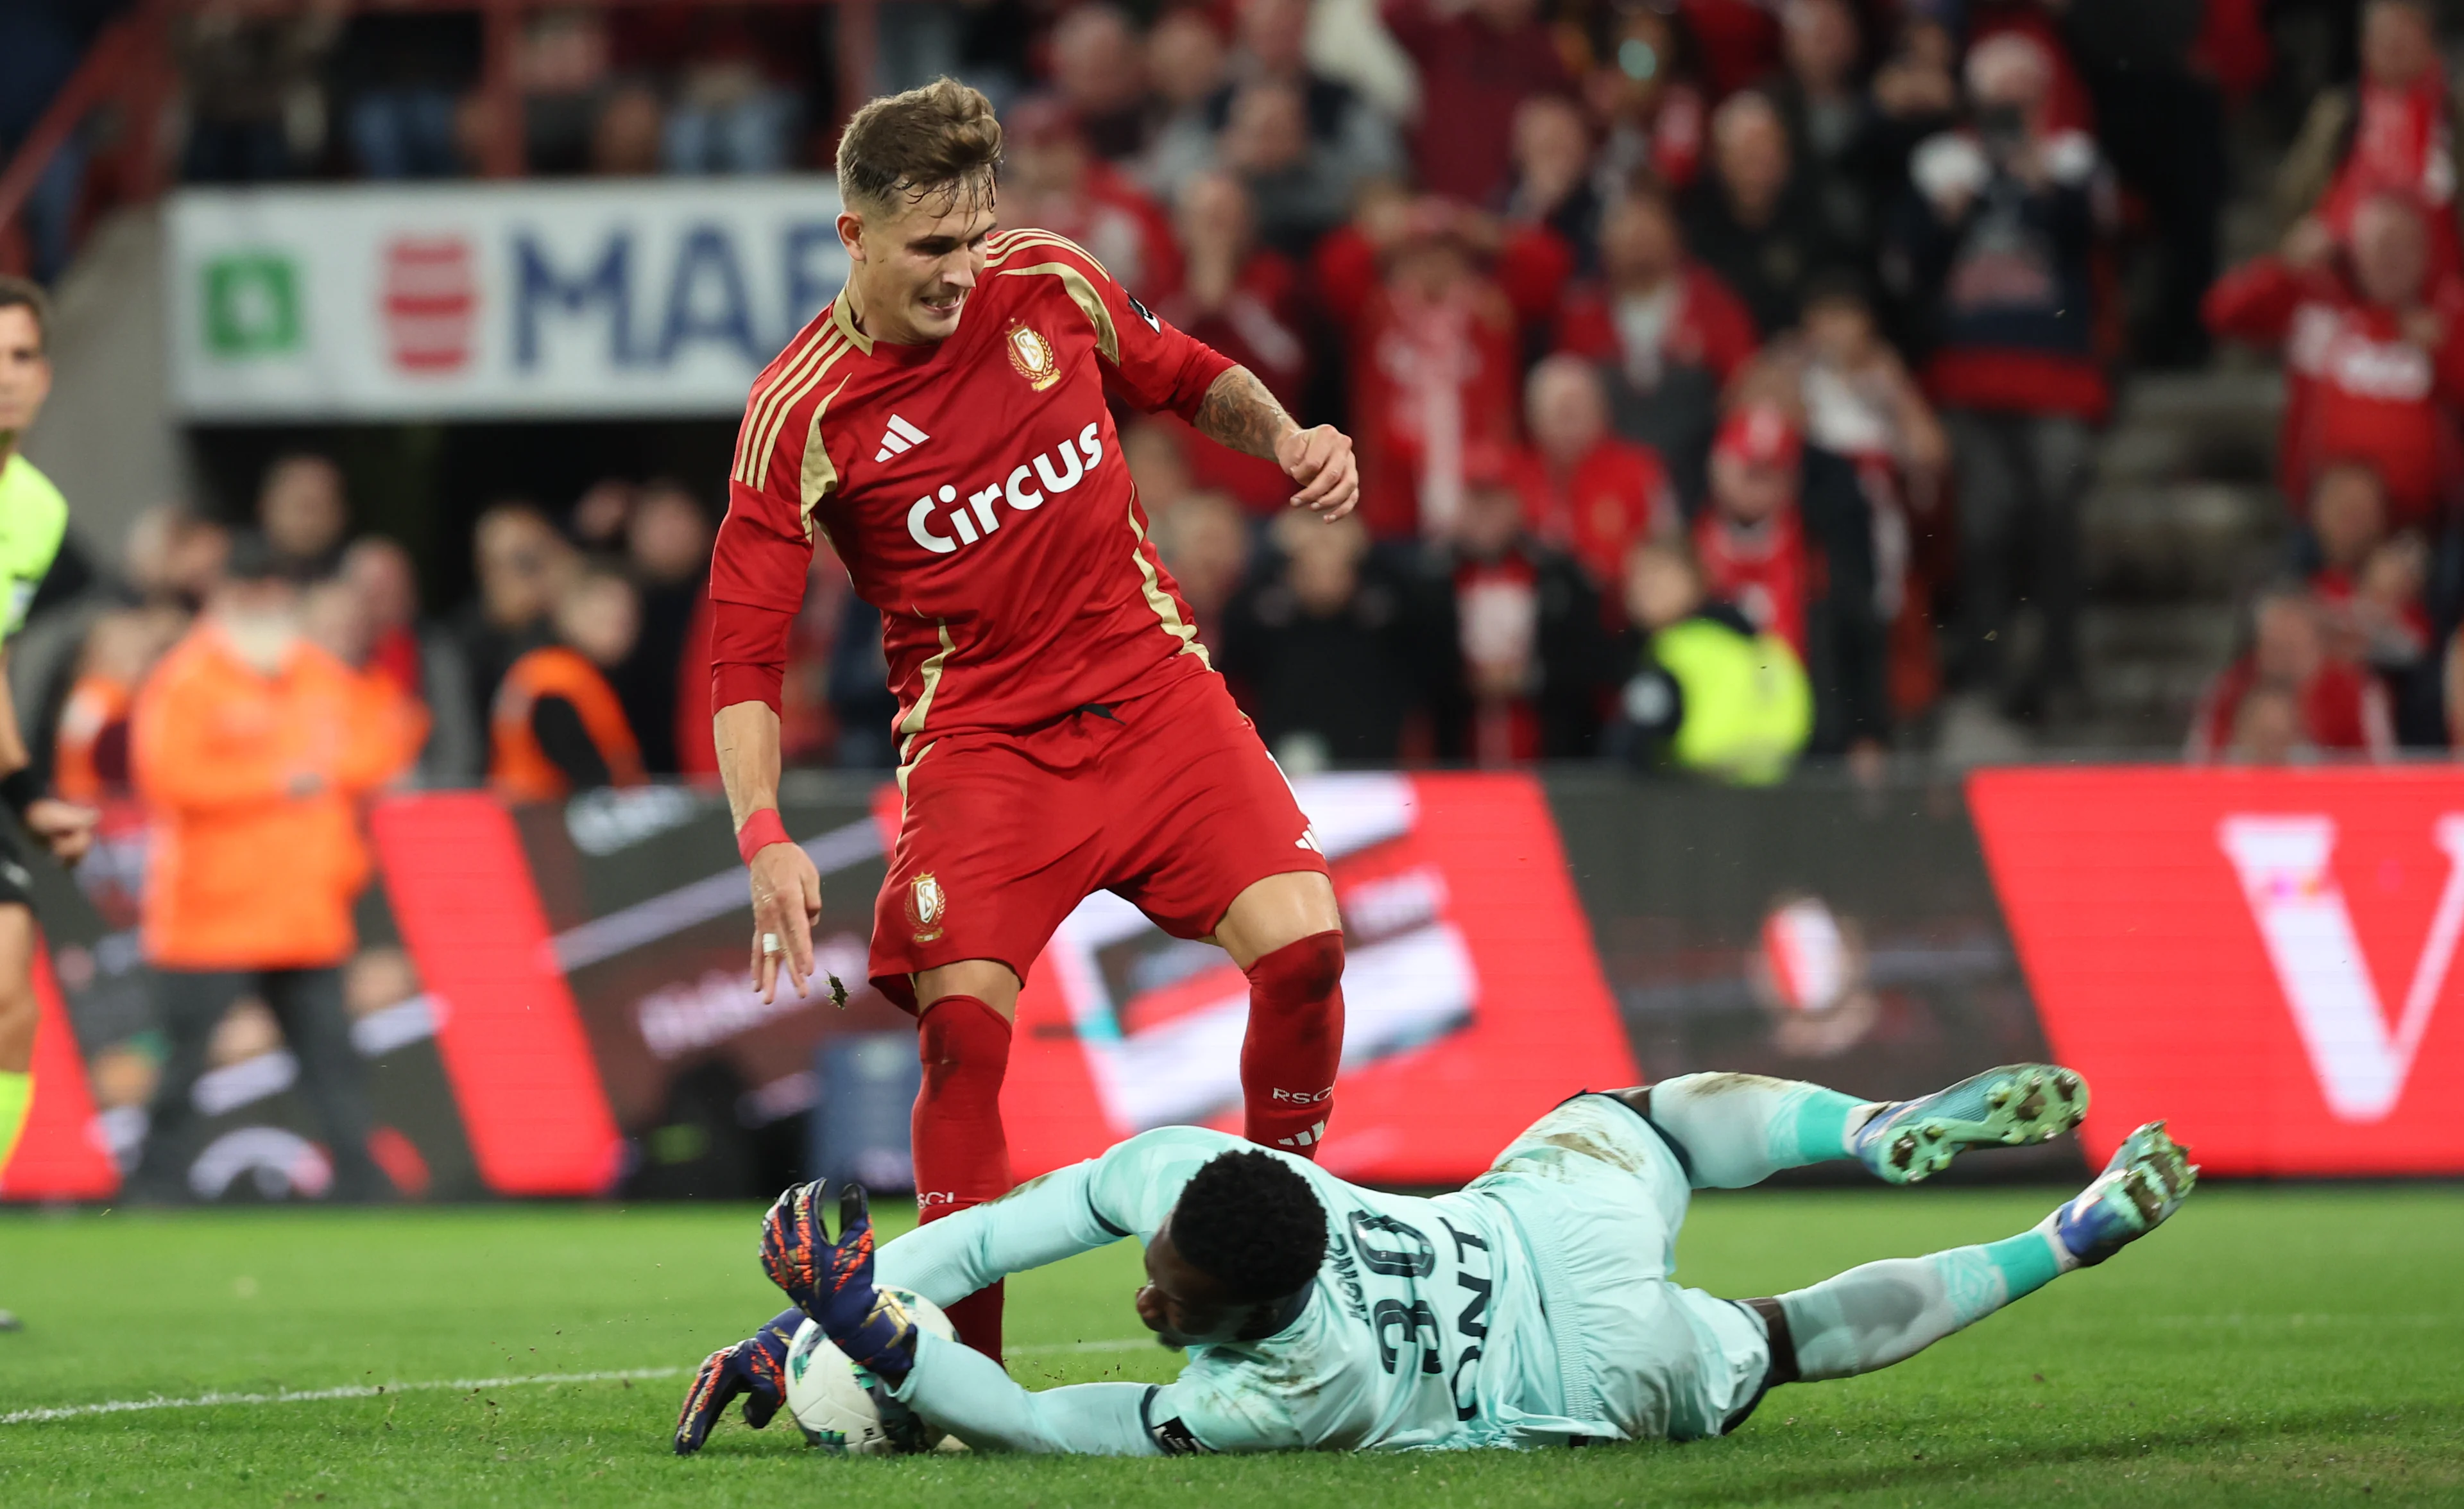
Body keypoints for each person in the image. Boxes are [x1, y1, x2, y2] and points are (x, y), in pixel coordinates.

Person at [706, 80, 1362, 1365]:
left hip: (1155, 692)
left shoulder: (1051, 282)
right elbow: (743, 650)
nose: (962, 271)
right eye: (929, 250)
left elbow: (1183, 374)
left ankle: (1275, 1280)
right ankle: (964, 1372)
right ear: (854, 239)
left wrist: (1285, 436)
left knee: (1309, 956)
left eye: (974, 237)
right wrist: (763, 833)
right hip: (985, 741)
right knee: (962, 1036)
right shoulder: (800, 413)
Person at [674, 1064, 2196, 1456]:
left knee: (1783, 1334)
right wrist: (819, 1306)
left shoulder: (1286, 1387)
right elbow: (997, 1230)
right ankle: (1864, 1126)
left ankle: (2061, 1234)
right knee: (1640, 1115)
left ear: (1256, 1312)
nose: (1148, 1303)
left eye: (1178, 1310)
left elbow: (1023, 1418)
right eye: (1159, 1277)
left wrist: (875, 1335)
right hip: (1534, 1222)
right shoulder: (1216, 1177)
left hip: (1581, 1367)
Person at [124, 532, 425, 1203]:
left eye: (271, 591)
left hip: (304, 911)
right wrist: (279, 777)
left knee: (332, 1066)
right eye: (247, 590)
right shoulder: (188, 677)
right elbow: (167, 776)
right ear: (224, 594)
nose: (261, 604)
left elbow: (385, 741)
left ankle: (362, 1189)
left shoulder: (319, 672)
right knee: (185, 1062)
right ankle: (152, 1187)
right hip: (212, 915)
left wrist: (316, 774)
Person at [0, 278, 101, 1326]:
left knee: (11, 999)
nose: (4, 374)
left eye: (20, 354)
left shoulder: (34, 510)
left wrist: (28, 794)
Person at [1608, 539, 1811, 784]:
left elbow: (1633, 742)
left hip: (1701, 795)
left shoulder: (1674, 652)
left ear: (1695, 580)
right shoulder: (1765, 643)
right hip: (1780, 792)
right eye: (1635, 579)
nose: (1643, 590)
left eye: (1657, 577)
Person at [491, 567, 648, 802]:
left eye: (624, 621)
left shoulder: (562, 672)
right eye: (602, 619)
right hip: (548, 821)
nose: (617, 633)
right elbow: (583, 773)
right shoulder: (555, 681)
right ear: (568, 613)